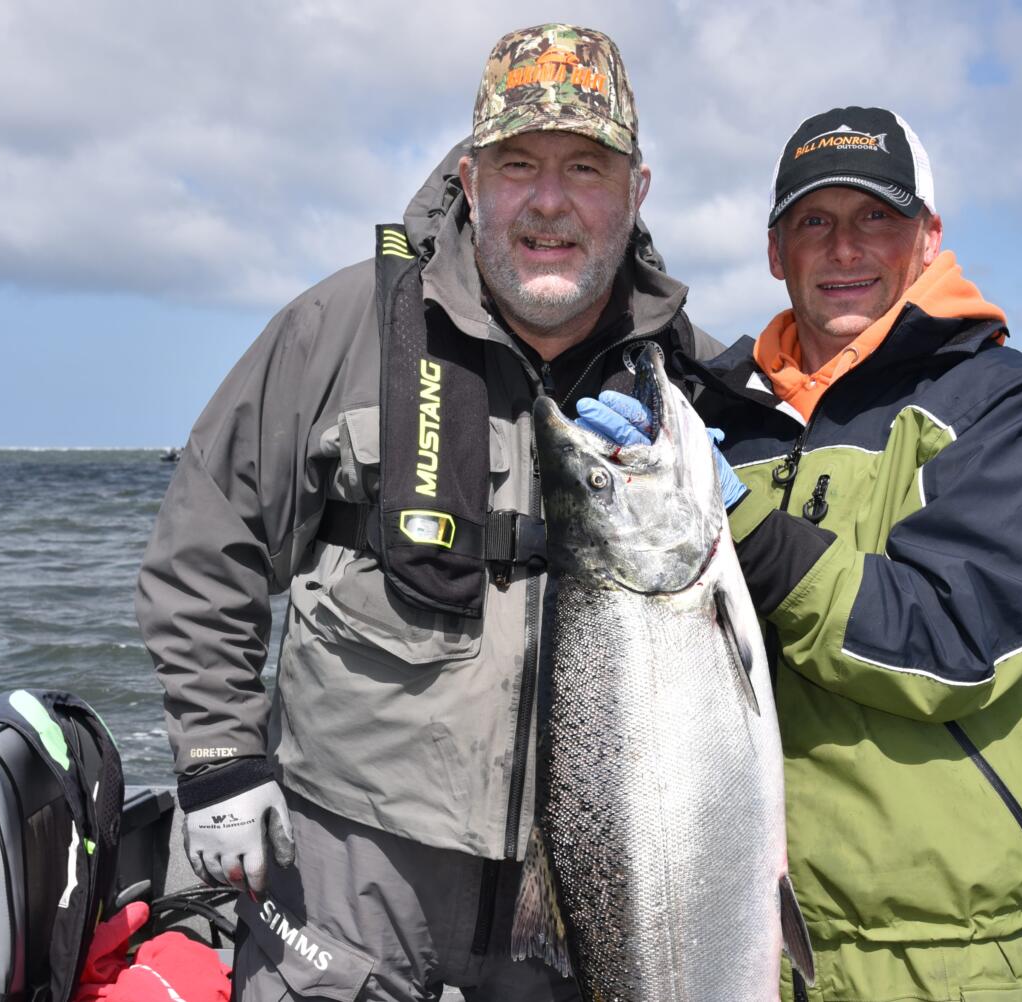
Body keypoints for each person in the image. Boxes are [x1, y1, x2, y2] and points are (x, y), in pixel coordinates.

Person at [136, 23, 719, 1002]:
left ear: (637, 190)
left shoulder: (686, 380)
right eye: (517, 164)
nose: (547, 200)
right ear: (468, 176)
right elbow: (205, 541)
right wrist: (219, 756)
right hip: (347, 852)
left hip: (590, 879)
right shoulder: (338, 326)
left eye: (585, 166)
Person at [581, 106, 1022, 1001]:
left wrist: (738, 524)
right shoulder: (717, 421)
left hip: (957, 962)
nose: (845, 248)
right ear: (777, 252)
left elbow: (958, 643)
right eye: (815, 222)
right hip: (734, 933)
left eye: (877, 219)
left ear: (928, 238)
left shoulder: (1012, 404)